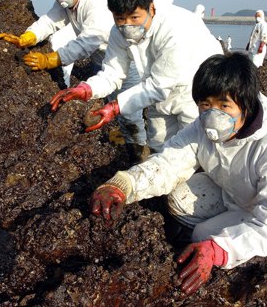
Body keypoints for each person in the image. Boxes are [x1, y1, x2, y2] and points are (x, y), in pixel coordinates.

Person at [90, 52, 267, 295]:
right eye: (205, 105)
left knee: (204, 235)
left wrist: (219, 249)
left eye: (224, 105)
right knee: (179, 198)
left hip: (261, 215)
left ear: (246, 105)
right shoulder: (201, 126)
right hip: (233, 194)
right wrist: (123, 184)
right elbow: (169, 162)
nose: (213, 115)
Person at [50, 0, 223, 154]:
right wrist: (86, 89)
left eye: (134, 17)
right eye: (120, 18)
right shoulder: (118, 32)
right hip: (160, 95)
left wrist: (115, 107)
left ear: (151, 8)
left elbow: (158, 85)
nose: (127, 26)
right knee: (159, 148)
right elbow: (112, 73)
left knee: (195, 150)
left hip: (196, 91)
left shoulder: (174, 28)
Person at [0, 0, 146, 163]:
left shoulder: (96, 3)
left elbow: (85, 44)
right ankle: (118, 138)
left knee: (129, 109)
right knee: (107, 101)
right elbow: (50, 21)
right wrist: (28, 36)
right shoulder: (68, 3)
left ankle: (137, 154)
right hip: (99, 61)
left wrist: (49, 60)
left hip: (125, 63)